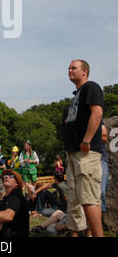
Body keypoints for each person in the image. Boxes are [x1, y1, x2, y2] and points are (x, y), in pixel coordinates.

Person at [64, 60, 104, 237]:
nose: (69, 70)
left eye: (73, 67)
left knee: (89, 198)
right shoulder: (76, 95)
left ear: (84, 71)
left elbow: (97, 113)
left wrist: (86, 141)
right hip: (73, 153)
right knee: (74, 198)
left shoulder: (91, 87)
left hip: (86, 152)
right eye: (69, 68)